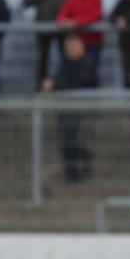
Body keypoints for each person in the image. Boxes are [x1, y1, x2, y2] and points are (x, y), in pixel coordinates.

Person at [42, 35, 98, 183]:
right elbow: (60, 82)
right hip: (65, 110)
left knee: (77, 141)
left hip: (81, 111)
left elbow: (82, 83)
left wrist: (55, 85)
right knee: (66, 142)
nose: (71, 50)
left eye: (74, 46)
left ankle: (80, 167)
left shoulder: (88, 64)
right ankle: (70, 173)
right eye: (68, 47)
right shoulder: (63, 64)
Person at [22, 0, 72, 90]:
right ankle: (41, 90)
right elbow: (25, 3)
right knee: (42, 60)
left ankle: (64, 87)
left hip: (62, 27)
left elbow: (73, 2)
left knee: (65, 58)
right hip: (43, 27)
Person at [56, 0, 103, 71]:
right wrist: (63, 22)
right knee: (73, 72)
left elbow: (94, 16)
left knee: (90, 71)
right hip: (75, 43)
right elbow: (61, 15)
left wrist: (74, 22)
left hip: (92, 42)